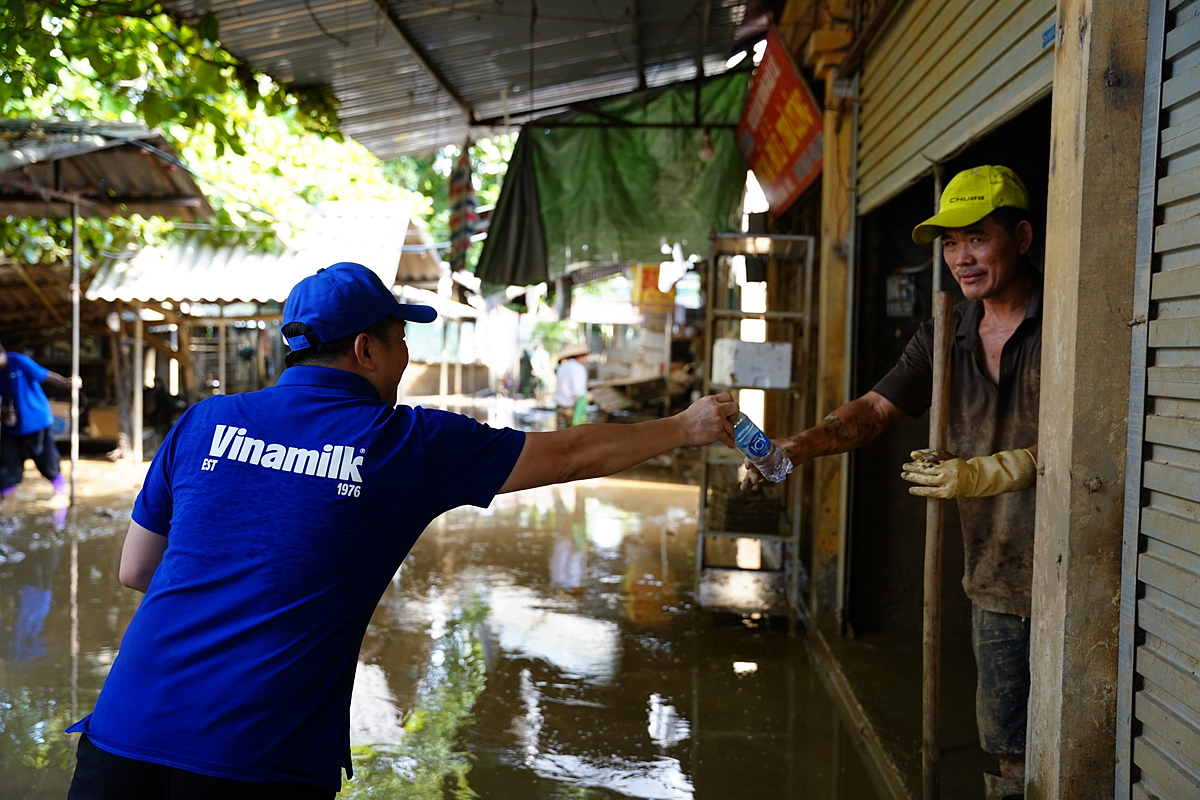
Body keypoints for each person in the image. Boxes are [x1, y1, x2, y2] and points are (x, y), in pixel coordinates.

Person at [65, 262, 738, 799]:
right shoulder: (404, 442)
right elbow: (569, 455)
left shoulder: (204, 422)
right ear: (366, 349)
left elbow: (135, 571)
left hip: (121, 732)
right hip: (254, 755)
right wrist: (687, 426)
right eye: (401, 339)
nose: (407, 356)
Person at [744, 166, 1039, 800]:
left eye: (978, 238)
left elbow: (1103, 431)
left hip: (1084, 564)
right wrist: (795, 447)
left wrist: (1005, 467)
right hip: (999, 571)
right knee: (1010, 756)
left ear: (1021, 236)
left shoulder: (1066, 320)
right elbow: (875, 411)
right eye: (950, 244)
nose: (962, 259)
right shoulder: (946, 332)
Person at [0, 341, 76, 510]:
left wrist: (66, 383)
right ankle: (7, 502)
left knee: (45, 459)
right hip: (10, 426)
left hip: (35, 420)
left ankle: (60, 492)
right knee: (7, 463)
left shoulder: (19, 361)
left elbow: (45, 375)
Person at [554, 344, 590, 429]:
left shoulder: (562, 367)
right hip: (572, 407)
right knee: (575, 435)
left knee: (561, 434)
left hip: (560, 405)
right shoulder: (579, 368)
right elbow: (578, 391)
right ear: (579, 356)